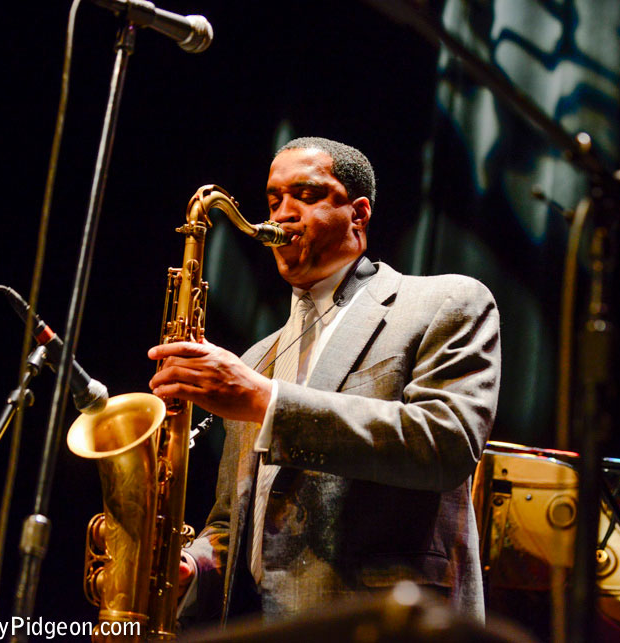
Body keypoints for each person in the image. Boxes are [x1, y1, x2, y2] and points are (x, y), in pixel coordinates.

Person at [147, 137, 501, 626]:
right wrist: (196, 565)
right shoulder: (258, 357)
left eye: (306, 196)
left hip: (390, 625)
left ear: (358, 214)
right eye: (274, 201)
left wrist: (264, 400)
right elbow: (235, 519)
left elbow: (446, 443)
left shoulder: (447, 301)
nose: (282, 213)